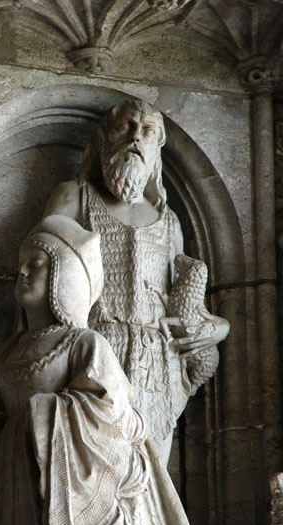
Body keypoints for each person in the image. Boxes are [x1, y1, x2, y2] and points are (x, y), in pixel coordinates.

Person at [0, 215, 220, 525]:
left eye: (38, 262)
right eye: (22, 263)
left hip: (76, 492)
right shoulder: (4, 357)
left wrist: (43, 416)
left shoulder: (85, 343)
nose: (24, 270)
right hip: (18, 492)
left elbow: (110, 411)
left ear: (65, 275)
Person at [44, 99, 229, 462]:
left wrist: (217, 329)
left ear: (155, 148)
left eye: (147, 131)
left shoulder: (169, 220)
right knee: (91, 473)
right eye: (125, 127)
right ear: (102, 141)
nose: (135, 138)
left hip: (157, 364)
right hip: (92, 353)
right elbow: (41, 277)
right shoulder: (74, 197)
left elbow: (188, 306)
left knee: (149, 479)